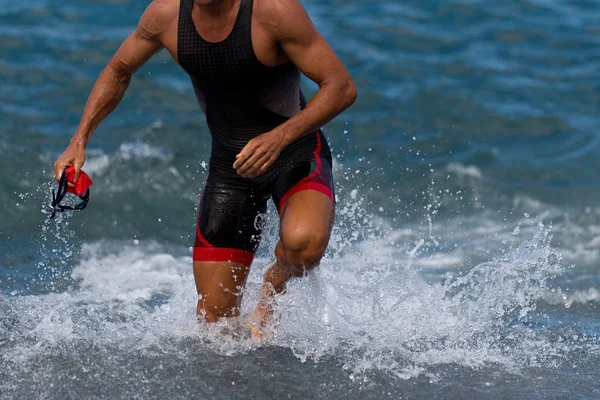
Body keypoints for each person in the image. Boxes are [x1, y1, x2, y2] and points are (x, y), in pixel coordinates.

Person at [53, 0, 356, 340]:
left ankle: (273, 285)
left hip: (294, 151)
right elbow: (119, 69)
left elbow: (340, 86)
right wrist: (79, 139)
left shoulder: (273, 11)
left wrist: (278, 137)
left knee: (303, 244)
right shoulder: (165, 16)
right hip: (231, 167)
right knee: (215, 326)